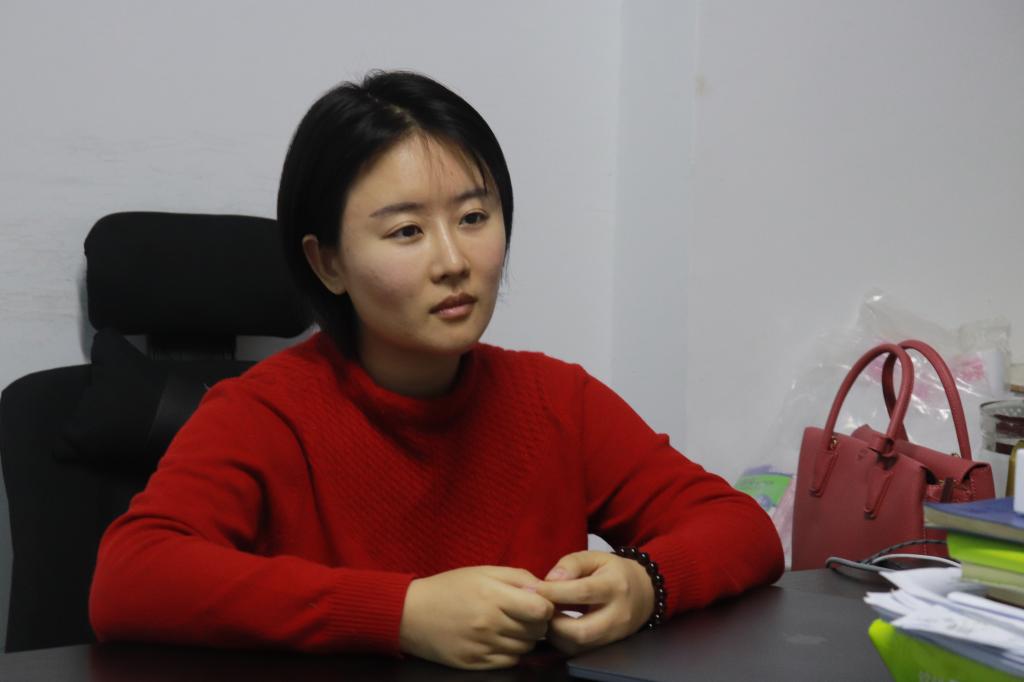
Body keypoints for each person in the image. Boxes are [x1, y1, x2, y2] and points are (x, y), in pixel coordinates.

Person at [89, 70, 784, 671]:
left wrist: (645, 585)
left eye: (474, 217)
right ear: (328, 263)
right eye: (406, 231)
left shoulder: (556, 399)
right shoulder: (262, 413)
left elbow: (740, 527)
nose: (453, 261)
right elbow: (129, 578)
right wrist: (402, 614)